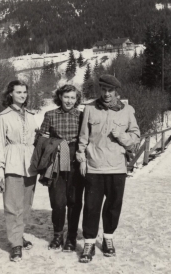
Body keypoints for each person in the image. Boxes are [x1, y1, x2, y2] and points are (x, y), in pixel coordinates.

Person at [76, 74, 140, 263]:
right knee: (91, 206)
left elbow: (135, 138)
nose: (106, 94)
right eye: (103, 90)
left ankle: (108, 239)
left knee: (113, 206)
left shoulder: (127, 110)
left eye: (110, 91)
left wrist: (121, 135)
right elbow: (83, 137)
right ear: (100, 90)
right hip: (94, 168)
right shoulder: (89, 109)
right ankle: (89, 242)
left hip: (117, 168)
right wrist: (81, 158)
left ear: (116, 92)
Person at [0, 80, 38, 262]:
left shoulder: (31, 115)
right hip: (12, 163)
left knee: (26, 205)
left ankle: (18, 234)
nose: (22, 95)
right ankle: (15, 244)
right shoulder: (3, 117)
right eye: (18, 92)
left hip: (30, 165)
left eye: (25, 92)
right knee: (13, 206)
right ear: (10, 93)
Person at [38, 84, 84, 252]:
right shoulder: (50, 115)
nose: (69, 101)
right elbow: (41, 138)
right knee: (58, 202)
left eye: (73, 97)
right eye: (66, 97)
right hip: (55, 162)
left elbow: (86, 139)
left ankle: (71, 237)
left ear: (77, 99)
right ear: (60, 97)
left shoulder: (81, 116)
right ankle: (58, 235)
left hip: (75, 162)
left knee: (74, 201)